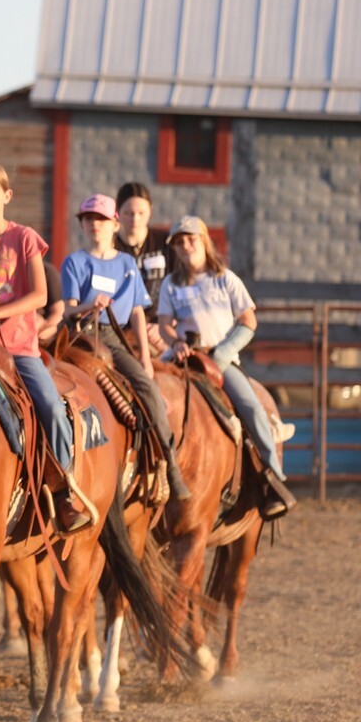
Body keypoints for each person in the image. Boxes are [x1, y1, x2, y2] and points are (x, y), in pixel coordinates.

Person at [0, 162, 95, 535]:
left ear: (7, 196)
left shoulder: (24, 238)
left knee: (50, 406)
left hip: (18, 348)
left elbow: (40, 295)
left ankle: (64, 493)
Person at [152, 216, 296, 520]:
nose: (185, 245)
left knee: (251, 407)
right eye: (179, 242)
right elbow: (164, 324)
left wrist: (223, 352)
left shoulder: (225, 278)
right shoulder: (171, 284)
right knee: (147, 390)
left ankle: (273, 479)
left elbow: (248, 321)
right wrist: (176, 342)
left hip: (220, 356)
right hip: (184, 355)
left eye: (191, 239)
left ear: (205, 241)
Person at [50, 194, 190, 501]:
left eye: (101, 220)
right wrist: (89, 305)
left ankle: (167, 462)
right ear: (82, 225)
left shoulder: (127, 264)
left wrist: (144, 357)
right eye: (88, 220)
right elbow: (68, 310)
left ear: (115, 224)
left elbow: (138, 311)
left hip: (115, 336)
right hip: (80, 336)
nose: (94, 225)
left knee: (148, 388)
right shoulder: (75, 261)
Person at [113, 182, 172, 310]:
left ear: (150, 210)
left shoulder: (166, 242)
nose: (134, 219)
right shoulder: (110, 246)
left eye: (141, 213)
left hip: (160, 322)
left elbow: (179, 282)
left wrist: (165, 322)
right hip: (122, 323)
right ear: (117, 212)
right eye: (128, 213)